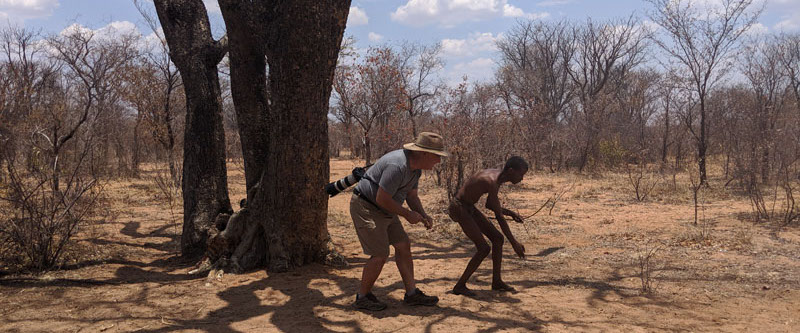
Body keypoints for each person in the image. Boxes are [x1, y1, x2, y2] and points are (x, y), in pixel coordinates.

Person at [350, 132, 448, 311]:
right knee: (379, 254)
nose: (438, 161)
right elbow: (381, 198)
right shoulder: (398, 165)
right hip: (367, 206)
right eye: (436, 156)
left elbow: (412, 196)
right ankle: (362, 297)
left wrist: (422, 214)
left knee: (403, 245)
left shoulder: (415, 170)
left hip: (387, 208)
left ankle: (412, 294)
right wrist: (407, 215)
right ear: (423, 154)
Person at [447, 156, 529, 296]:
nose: (521, 178)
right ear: (510, 171)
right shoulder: (492, 181)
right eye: (520, 174)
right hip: (459, 207)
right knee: (483, 248)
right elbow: (499, 218)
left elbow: (490, 204)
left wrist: (510, 213)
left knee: (497, 239)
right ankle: (460, 286)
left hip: (468, 207)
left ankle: (496, 281)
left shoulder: (497, 176)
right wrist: (514, 243)